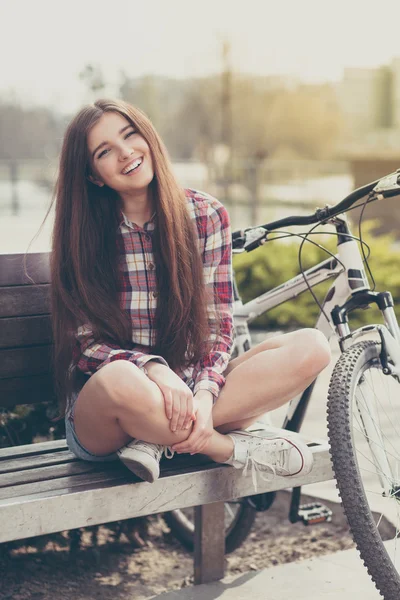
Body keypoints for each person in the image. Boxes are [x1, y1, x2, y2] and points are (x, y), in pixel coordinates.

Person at [50, 98, 331, 486]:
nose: (126, 152)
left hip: (191, 399)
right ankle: (226, 448)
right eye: (105, 151)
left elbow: (215, 327)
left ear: (147, 135)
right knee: (120, 377)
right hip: (107, 415)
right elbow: (85, 345)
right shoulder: (82, 237)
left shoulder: (204, 215)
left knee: (312, 346)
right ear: (94, 175)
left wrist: (202, 394)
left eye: (130, 135)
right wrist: (154, 369)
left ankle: (156, 440)